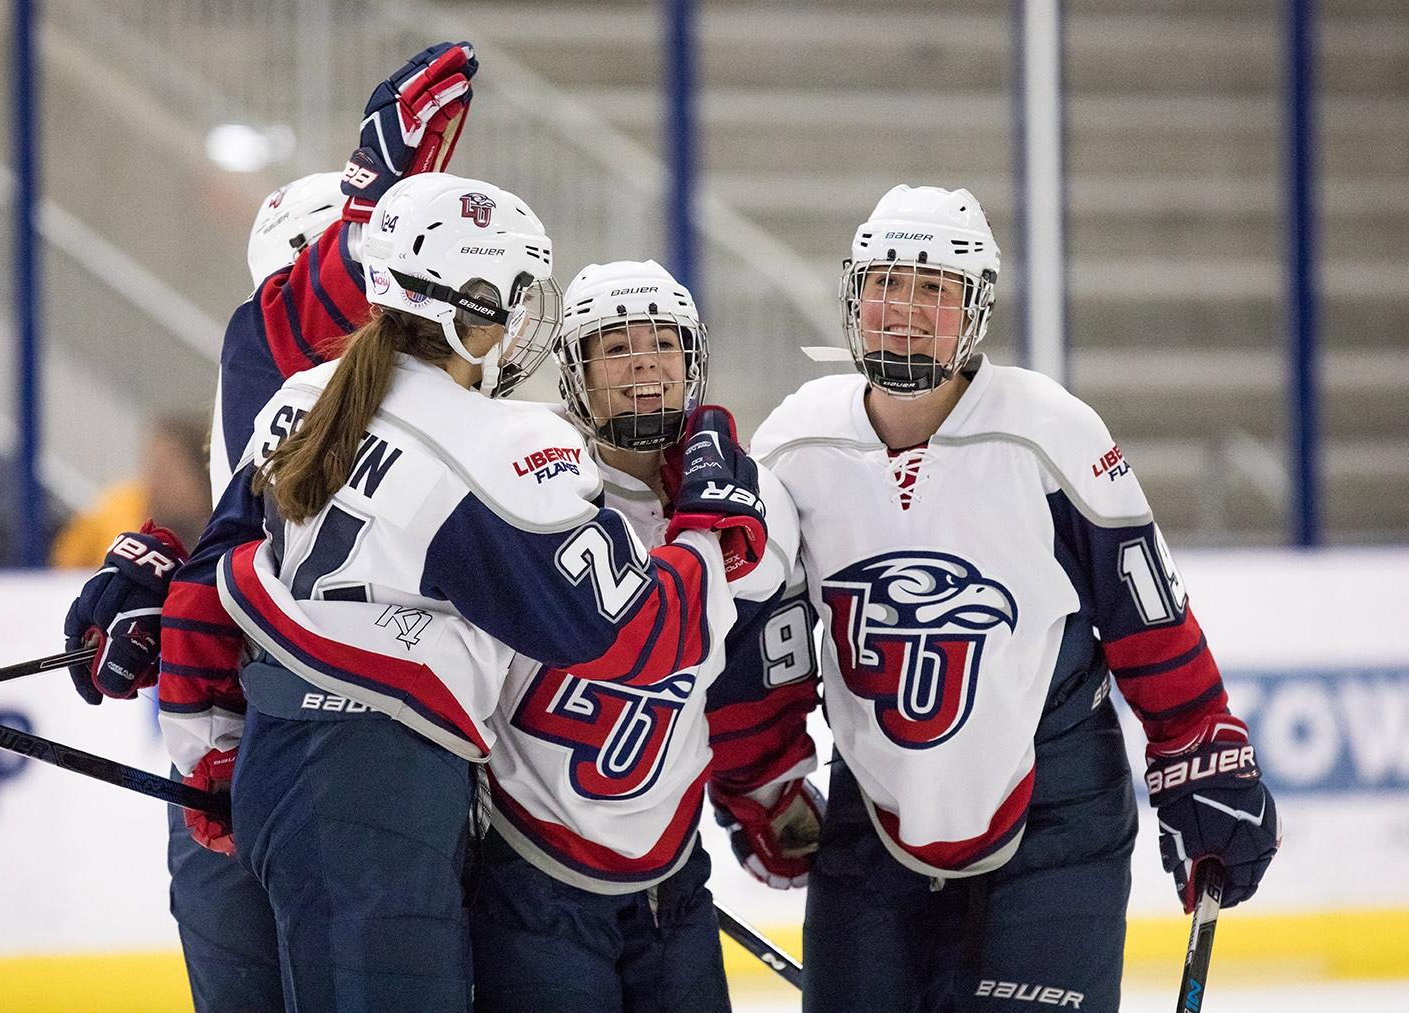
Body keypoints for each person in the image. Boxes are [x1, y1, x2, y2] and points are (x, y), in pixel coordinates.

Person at [155, 174, 771, 1012]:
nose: (522, 321)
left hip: (277, 756)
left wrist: (209, 741)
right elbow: (632, 633)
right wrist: (705, 529)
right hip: (382, 789)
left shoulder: (305, 400)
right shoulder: (501, 443)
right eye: (515, 297)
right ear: (472, 306)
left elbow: (213, 576)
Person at [720, 184, 1280, 1011]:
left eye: (934, 289)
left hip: (1056, 817)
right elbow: (764, 647)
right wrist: (762, 781)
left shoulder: (1046, 432)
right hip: (872, 823)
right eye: (885, 283)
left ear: (974, 310)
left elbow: (1149, 620)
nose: (904, 308)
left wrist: (1196, 744)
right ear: (852, 294)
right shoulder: (794, 444)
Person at [60, 43, 482, 1011]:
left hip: (372, 762)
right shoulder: (252, 361)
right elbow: (233, 530)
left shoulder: (424, 394)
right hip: (242, 768)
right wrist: (144, 592)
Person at [470, 260, 818, 1013]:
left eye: (663, 342)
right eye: (616, 347)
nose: (645, 365)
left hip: (670, 879)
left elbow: (745, 684)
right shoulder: (526, 489)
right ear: (574, 373)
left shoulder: (751, 501)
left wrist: (767, 792)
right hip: (530, 872)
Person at [49, 414, 213, 569]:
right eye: (152, 468)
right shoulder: (121, 509)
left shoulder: (225, 539)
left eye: (167, 474)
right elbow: (64, 567)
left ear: (203, 479)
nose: (153, 484)